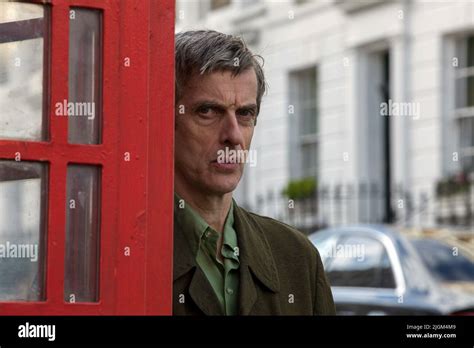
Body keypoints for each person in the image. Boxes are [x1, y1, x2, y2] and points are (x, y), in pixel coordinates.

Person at [173, 30, 335, 315]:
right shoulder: (130, 253)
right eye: (208, 111)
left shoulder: (297, 256)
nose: (233, 135)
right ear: (166, 120)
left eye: (245, 114)